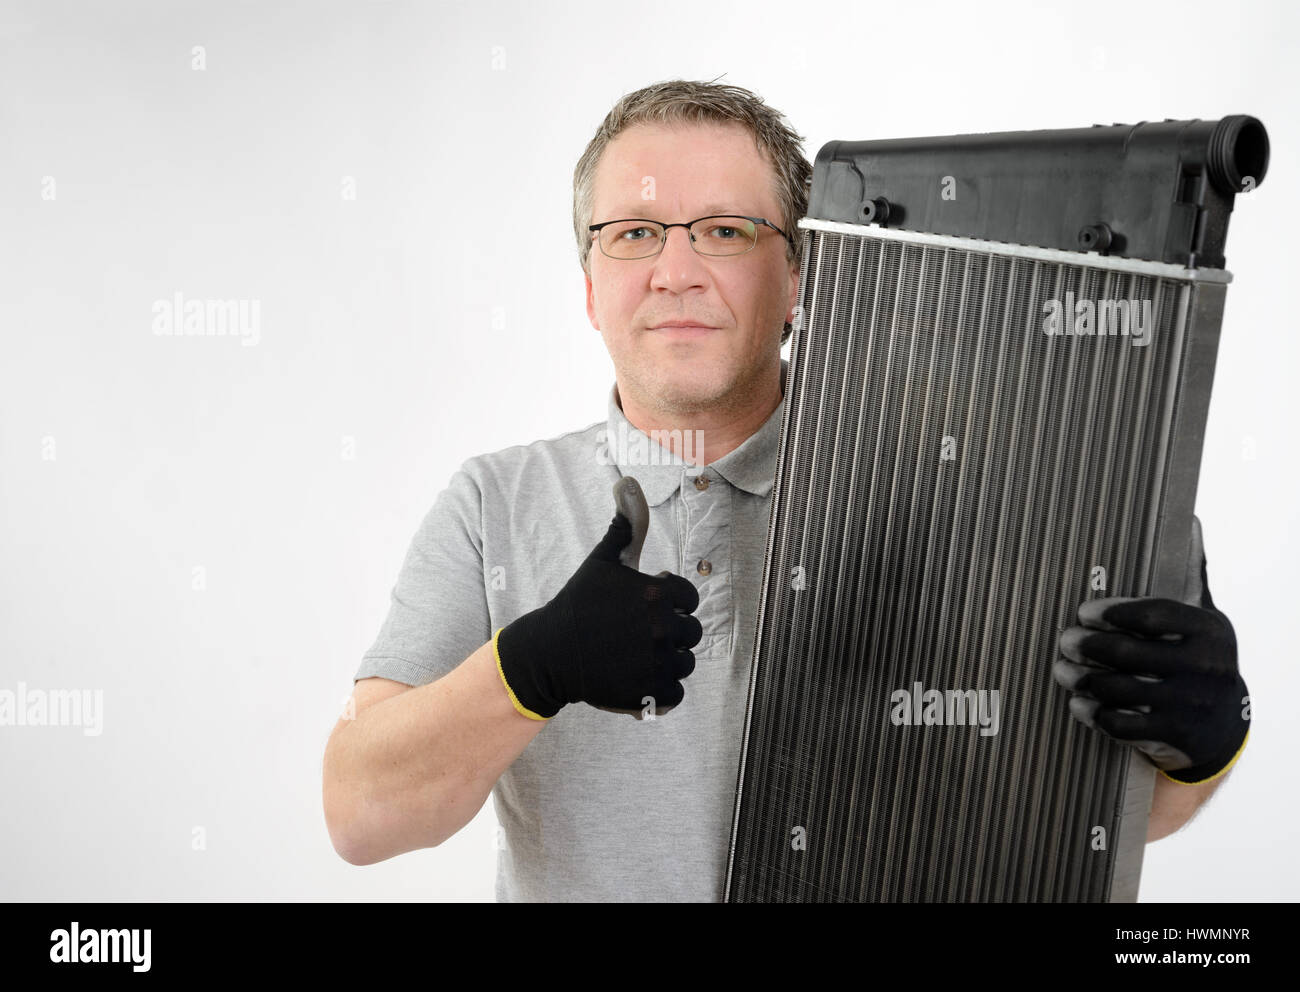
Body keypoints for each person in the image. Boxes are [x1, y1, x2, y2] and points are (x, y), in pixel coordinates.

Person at [322, 79, 1250, 902]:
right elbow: (363, 816)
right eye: (635, 233)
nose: (676, 271)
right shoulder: (495, 502)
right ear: (591, 287)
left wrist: (1203, 739)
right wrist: (528, 669)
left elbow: (1105, 814)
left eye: (726, 231)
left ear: (801, 277)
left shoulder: (980, 482)